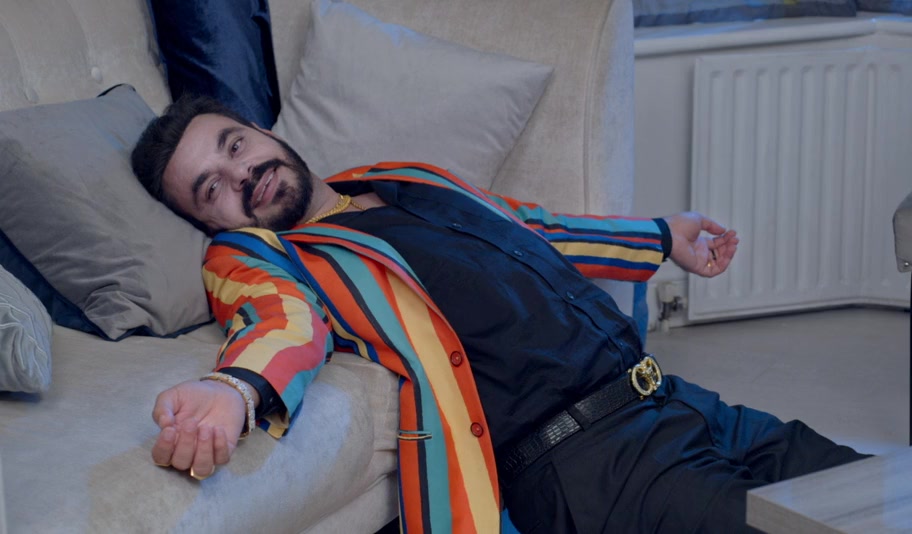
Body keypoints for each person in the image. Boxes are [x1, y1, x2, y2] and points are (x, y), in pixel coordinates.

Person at [132, 95, 867, 534]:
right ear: (209, 223)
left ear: (261, 130)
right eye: (212, 189)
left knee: (878, 494)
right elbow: (280, 320)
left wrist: (658, 236)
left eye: (236, 145)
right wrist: (233, 390)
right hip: (587, 465)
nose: (243, 174)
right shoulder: (260, 254)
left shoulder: (404, 177)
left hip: (673, 402)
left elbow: (532, 228)